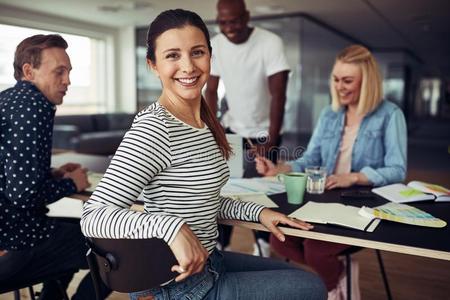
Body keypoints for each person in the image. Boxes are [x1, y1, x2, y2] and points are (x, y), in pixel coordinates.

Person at [80, 9, 326, 300]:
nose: (188, 66)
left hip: (209, 262)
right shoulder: (154, 128)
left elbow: (203, 200)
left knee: (301, 277)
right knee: (311, 288)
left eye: (197, 52)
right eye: (172, 55)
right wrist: (171, 227)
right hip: (178, 286)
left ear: (210, 56)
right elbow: (93, 216)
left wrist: (258, 212)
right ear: (153, 65)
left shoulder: (205, 123)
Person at [256, 45, 407, 299]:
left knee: (316, 250)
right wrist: (279, 168)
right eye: (336, 79)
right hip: (324, 200)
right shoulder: (329, 114)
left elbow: (397, 170)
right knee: (279, 240)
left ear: (367, 81)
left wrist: (355, 177)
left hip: (362, 205)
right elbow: (310, 159)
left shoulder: (391, 115)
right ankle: (338, 273)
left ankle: (331, 286)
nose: (340, 86)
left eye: (348, 81)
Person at [0, 34, 111, 300]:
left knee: (78, 231)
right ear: (29, 71)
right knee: (115, 251)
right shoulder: (33, 106)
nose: (68, 80)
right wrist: (74, 184)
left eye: (69, 72)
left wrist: (52, 175)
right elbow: (24, 195)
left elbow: (11, 174)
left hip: (9, 229)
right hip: (15, 240)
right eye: (59, 71)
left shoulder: (8, 100)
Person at [205, 0, 290, 255]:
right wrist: (215, 129)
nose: (229, 27)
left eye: (234, 21)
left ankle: (263, 245)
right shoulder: (217, 44)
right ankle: (221, 245)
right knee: (225, 187)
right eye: (223, 22)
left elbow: (279, 95)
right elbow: (210, 90)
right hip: (232, 130)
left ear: (247, 17)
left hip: (266, 131)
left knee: (262, 191)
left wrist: (271, 142)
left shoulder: (270, 42)